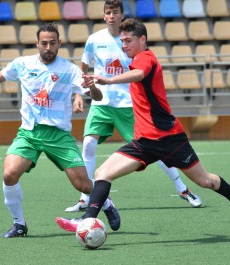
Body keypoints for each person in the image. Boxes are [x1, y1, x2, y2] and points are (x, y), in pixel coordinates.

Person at [56, 18, 230, 234]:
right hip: (143, 142)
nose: (124, 45)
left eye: (128, 40)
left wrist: (109, 80)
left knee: (206, 181)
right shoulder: (135, 59)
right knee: (103, 172)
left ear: (142, 39)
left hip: (169, 139)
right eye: (122, 41)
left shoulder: (146, 58)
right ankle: (86, 220)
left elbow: (139, 74)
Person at [0, 23, 120, 238]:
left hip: (58, 135)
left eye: (52, 43)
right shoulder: (23, 64)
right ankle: (19, 224)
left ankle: (107, 203)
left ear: (59, 44)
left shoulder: (70, 70)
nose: (48, 47)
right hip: (29, 133)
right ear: (37, 43)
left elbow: (98, 97)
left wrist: (92, 87)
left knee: (82, 184)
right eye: (44, 43)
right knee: (9, 174)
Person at [65, 0, 201, 213]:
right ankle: (85, 197)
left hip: (129, 105)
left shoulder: (129, 40)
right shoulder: (94, 40)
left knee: (155, 151)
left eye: (115, 12)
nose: (111, 16)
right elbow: (83, 67)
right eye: (108, 12)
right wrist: (78, 94)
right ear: (103, 16)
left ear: (121, 15)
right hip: (102, 103)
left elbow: (141, 70)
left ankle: (183, 189)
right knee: (89, 145)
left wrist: (112, 80)